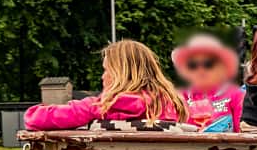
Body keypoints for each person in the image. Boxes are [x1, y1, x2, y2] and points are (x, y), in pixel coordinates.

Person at [25, 40, 187, 130]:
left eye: (105, 70)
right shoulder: (173, 105)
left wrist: (36, 109)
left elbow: (35, 119)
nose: (103, 77)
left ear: (118, 74)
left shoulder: (102, 107)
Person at [171, 33, 244, 132]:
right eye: (192, 65)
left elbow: (241, 134)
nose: (200, 70)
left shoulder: (236, 95)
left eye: (208, 64)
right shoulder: (178, 96)